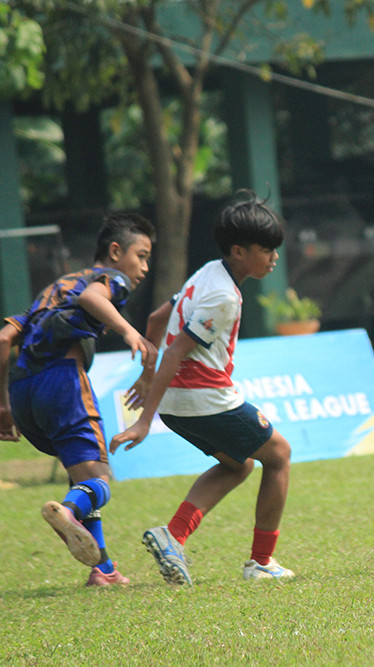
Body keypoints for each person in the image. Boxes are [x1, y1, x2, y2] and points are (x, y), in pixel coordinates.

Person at [109, 190, 295, 585]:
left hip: (180, 402)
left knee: (240, 463)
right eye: (266, 249)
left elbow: (159, 319)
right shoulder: (225, 296)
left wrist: (146, 376)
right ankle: (261, 564)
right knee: (278, 455)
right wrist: (144, 421)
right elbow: (176, 351)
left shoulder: (209, 272)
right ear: (240, 251)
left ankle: (172, 536)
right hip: (204, 398)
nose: (274, 257)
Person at [0, 213, 157, 586]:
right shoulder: (108, 279)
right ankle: (68, 511)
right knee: (99, 479)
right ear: (116, 251)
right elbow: (92, 297)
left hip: (23, 393)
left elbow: (4, 339)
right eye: (142, 255)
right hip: (63, 382)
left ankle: (102, 570)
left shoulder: (51, 290)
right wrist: (128, 330)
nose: (145, 268)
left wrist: (3, 405)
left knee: (81, 474)